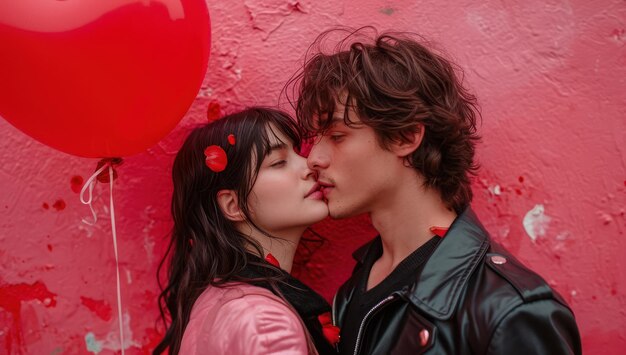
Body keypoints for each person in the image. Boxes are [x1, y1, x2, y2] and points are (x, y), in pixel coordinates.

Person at [288, 27, 582, 354]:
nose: (313, 158)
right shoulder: (356, 287)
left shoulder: (509, 312)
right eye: (316, 138)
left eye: (337, 136)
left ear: (405, 137)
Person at [153, 107, 339, 355]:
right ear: (234, 205)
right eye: (279, 162)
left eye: (297, 153)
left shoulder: (212, 300)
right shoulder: (263, 325)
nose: (309, 166)